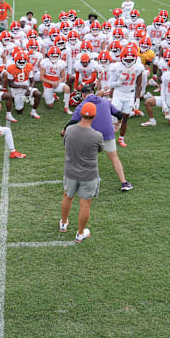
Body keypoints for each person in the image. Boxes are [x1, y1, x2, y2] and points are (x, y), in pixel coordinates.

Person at [62, 84, 133, 192]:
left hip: (92, 135)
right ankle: (124, 182)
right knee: (114, 157)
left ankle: (85, 182)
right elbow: (119, 114)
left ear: (83, 95)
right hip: (108, 133)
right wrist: (118, 124)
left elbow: (73, 121)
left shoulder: (83, 105)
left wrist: (63, 131)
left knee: (86, 158)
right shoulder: (105, 102)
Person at [59, 102, 102, 244]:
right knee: (85, 205)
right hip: (88, 176)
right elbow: (99, 150)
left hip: (70, 172)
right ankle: (80, 233)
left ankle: (63, 223)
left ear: (81, 114)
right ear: (94, 116)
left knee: (67, 197)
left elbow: (66, 143)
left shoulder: (70, 130)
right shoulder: (97, 136)